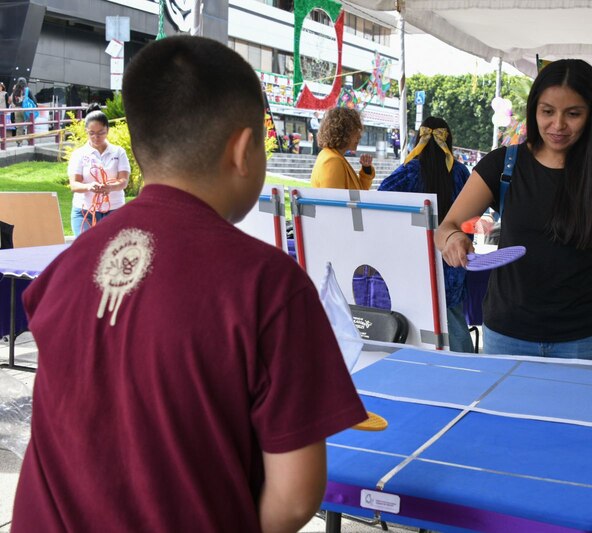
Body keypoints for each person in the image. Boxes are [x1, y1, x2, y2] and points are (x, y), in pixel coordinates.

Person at [12, 35, 367, 532]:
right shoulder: (269, 286)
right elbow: (293, 497)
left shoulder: (64, 271)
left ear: (136, 148)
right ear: (244, 149)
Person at [434, 59, 592, 360]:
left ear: (590, 115)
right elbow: (446, 226)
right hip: (507, 333)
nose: (558, 125)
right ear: (534, 110)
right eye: (547, 111)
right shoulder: (503, 166)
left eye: (573, 114)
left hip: (581, 337)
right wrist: (453, 239)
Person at [379, 117, 473, 352]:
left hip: (413, 262)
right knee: (455, 325)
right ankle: (469, 373)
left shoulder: (408, 171)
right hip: (453, 260)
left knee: (415, 325)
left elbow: (380, 200)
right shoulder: (461, 173)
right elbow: (475, 216)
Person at [67, 104, 131, 236]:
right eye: (92, 133)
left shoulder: (119, 152)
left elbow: (124, 181)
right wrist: (90, 186)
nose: (96, 137)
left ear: (107, 130)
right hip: (84, 211)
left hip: (115, 210)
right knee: (85, 251)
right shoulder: (79, 154)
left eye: (101, 133)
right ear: (86, 131)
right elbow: (74, 185)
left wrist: (110, 187)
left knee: (111, 251)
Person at [310, 107, 374, 190]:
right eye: (355, 130)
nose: (360, 136)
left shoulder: (333, 156)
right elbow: (335, 201)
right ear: (342, 132)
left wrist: (366, 170)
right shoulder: (332, 161)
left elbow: (358, 193)